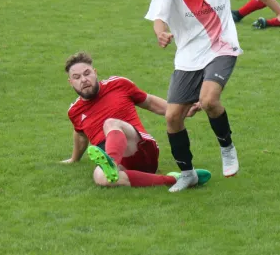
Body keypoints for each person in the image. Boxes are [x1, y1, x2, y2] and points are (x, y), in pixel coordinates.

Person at [145, 0, 280, 193]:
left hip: (222, 46)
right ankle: (188, 173)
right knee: (172, 117)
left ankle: (227, 148)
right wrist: (161, 32)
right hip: (188, 55)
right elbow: (158, 16)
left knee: (208, 99)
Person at [63, 52, 211, 189]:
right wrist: (74, 159)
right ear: (71, 82)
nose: (84, 80)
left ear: (95, 73)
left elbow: (151, 103)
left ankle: (111, 163)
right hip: (124, 165)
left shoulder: (118, 84)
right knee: (101, 178)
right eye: (77, 77)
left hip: (140, 147)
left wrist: (183, 111)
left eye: (87, 73)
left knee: (110, 123)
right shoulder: (74, 111)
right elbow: (80, 136)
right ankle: (175, 179)